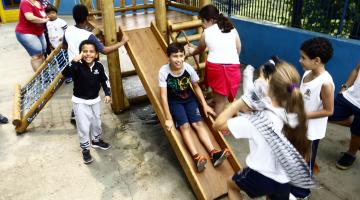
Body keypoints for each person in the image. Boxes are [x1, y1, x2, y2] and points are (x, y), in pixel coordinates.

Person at [214, 60, 314, 200]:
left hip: (261, 176)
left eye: (264, 79)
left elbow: (218, 125)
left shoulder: (258, 121)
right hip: (285, 178)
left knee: (231, 183)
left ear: (270, 89)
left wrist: (240, 102)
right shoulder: (297, 113)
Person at [159, 43, 230, 172]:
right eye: (175, 56)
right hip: (175, 102)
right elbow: (163, 96)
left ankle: (213, 153)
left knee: (198, 123)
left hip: (190, 100)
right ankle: (196, 157)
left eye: (181, 55)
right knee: (184, 126)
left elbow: (196, 86)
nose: (179, 59)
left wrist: (204, 105)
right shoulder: (164, 71)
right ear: (168, 57)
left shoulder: (188, 68)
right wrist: (168, 118)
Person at [63, 4, 129, 124]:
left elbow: (64, 46)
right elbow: (104, 50)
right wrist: (122, 42)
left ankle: (75, 113)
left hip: (73, 67)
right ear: (86, 18)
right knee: (90, 90)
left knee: (79, 90)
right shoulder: (88, 36)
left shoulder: (68, 30)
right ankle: (82, 114)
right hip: (87, 68)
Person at [289, 37, 334, 199]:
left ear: (317, 60)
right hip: (299, 126)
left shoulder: (326, 83)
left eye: (303, 58)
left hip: (311, 132)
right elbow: (302, 93)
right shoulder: (307, 73)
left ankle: (302, 193)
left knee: (304, 163)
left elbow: (329, 110)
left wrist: (304, 115)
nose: (299, 60)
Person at [62, 40, 112, 164]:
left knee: (96, 122)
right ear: (80, 53)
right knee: (83, 127)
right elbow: (65, 73)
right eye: (85, 51)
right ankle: (85, 149)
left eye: (91, 52)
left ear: (96, 54)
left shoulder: (99, 66)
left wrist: (107, 93)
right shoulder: (77, 65)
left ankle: (96, 140)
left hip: (95, 100)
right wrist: (74, 61)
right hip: (80, 101)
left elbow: (104, 80)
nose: (88, 54)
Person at [188, 4, 241, 115]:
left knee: (220, 101)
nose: (202, 25)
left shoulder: (206, 33)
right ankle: (217, 103)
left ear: (211, 20)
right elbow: (238, 48)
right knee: (223, 96)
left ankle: (219, 128)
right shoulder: (232, 29)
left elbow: (200, 49)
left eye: (203, 21)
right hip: (234, 67)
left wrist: (192, 51)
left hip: (217, 69)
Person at [329, 62, 360, 170]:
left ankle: (351, 153)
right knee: (329, 115)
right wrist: (345, 87)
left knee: (357, 134)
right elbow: (356, 70)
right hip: (349, 96)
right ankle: (355, 125)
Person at [15, 0, 49, 72]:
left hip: (39, 32)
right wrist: (44, 20)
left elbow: (43, 14)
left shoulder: (38, 2)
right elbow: (30, 17)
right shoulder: (25, 2)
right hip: (26, 32)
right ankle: (40, 77)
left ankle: (44, 73)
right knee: (36, 56)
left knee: (42, 54)